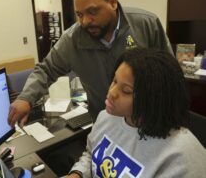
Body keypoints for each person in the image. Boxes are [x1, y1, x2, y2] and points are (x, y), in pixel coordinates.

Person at [8, 0, 173, 127]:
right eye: (79, 15)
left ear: (113, 2)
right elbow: (46, 69)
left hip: (148, 120)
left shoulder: (146, 25)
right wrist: (25, 98)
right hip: (105, 124)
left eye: (92, 12)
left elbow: (170, 74)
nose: (85, 21)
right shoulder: (73, 39)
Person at [66, 47, 206, 178]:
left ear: (153, 98)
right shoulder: (106, 116)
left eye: (126, 90)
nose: (111, 93)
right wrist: (78, 173)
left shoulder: (182, 158)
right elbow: (91, 154)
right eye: (114, 81)